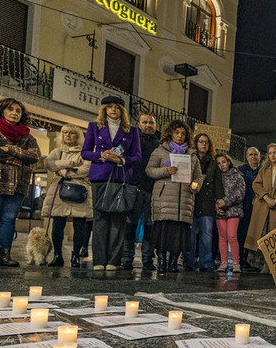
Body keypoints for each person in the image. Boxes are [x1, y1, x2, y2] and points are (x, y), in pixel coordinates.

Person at [81, 95, 141, 271]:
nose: (113, 109)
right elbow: (85, 152)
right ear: (104, 109)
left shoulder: (132, 130)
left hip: (121, 177)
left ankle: (113, 261)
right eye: (110, 107)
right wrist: (101, 156)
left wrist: (120, 159)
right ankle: (99, 260)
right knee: (100, 219)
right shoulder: (94, 127)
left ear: (122, 110)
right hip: (100, 176)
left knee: (118, 219)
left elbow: (137, 157)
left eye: (117, 107)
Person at [0, 97, 40, 267]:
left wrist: (11, 149)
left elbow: (35, 156)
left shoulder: (28, 136)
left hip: (18, 184)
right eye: (10, 109)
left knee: (9, 218)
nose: (14, 113)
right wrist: (20, 157)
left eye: (18, 111)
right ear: (2, 111)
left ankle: (5, 255)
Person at [145, 120, 201, 273]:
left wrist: (195, 186)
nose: (180, 136)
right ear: (170, 133)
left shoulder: (192, 155)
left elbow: (198, 176)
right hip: (164, 199)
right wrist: (166, 171)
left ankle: (174, 263)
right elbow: (149, 170)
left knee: (178, 236)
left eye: (183, 134)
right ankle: (161, 262)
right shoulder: (160, 151)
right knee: (163, 234)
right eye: (177, 133)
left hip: (183, 200)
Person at [41, 124, 92, 267]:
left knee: (79, 224)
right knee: (57, 223)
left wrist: (63, 170)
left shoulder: (85, 152)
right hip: (59, 189)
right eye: (65, 132)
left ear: (78, 135)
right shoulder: (57, 151)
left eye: (72, 133)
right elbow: (50, 164)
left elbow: (86, 169)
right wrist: (69, 164)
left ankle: (76, 255)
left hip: (79, 188)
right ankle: (58, 256)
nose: (68, 135)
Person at [122, 112, 160, 270]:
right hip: (134, 188)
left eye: (151, 123)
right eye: (145, 122)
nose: (148, 125)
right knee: (129, 226)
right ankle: (126, 259)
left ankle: (148, 260)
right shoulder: (130, 139)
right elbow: (119, 152)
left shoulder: (160, 144)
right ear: (138, 124)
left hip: (153, 190)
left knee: (150, 228)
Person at [245, 142, 276, 264]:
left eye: (275, 152)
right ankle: (258, 264)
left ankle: (272, 264)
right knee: (260, 233)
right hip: (263, 204)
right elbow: (256, 184)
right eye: (270, 153)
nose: (272, 155)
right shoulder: (264, 170)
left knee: (274, 234)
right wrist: (266, 197)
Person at [184, 133, 215, 271]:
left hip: (206, 203)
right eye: (201, 141)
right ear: (195, 143)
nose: (203, 144)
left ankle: (206, 263)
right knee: (189, 236)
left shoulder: (212, 163)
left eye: (206, 142)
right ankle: (188, 262)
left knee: (206, 236)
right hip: (191, 200)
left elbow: (217, 183)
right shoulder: (189, 159)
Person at [213, 153, 245, 272]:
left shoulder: (237, 175)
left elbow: (240, 193)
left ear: (229, 162)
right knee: (222, 237)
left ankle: (236, 263)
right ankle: (224, 262)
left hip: (233, 210)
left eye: (224, 162)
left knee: (231, 236)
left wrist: (225, 202)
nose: (222, 165)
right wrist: (217, 206)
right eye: (219, 163)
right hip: (220, 211)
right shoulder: (217, 177)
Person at [238, 146, 261, 271]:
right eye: (251, 155)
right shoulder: (240, 170)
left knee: (254, 234)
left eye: (255, 154)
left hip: (258, 208)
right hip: (244, 206)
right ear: (246, 157)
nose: (253, 157)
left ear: (259, 157)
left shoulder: (264, 171)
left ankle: (249, 260)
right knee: (241, 234)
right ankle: (240, 259)